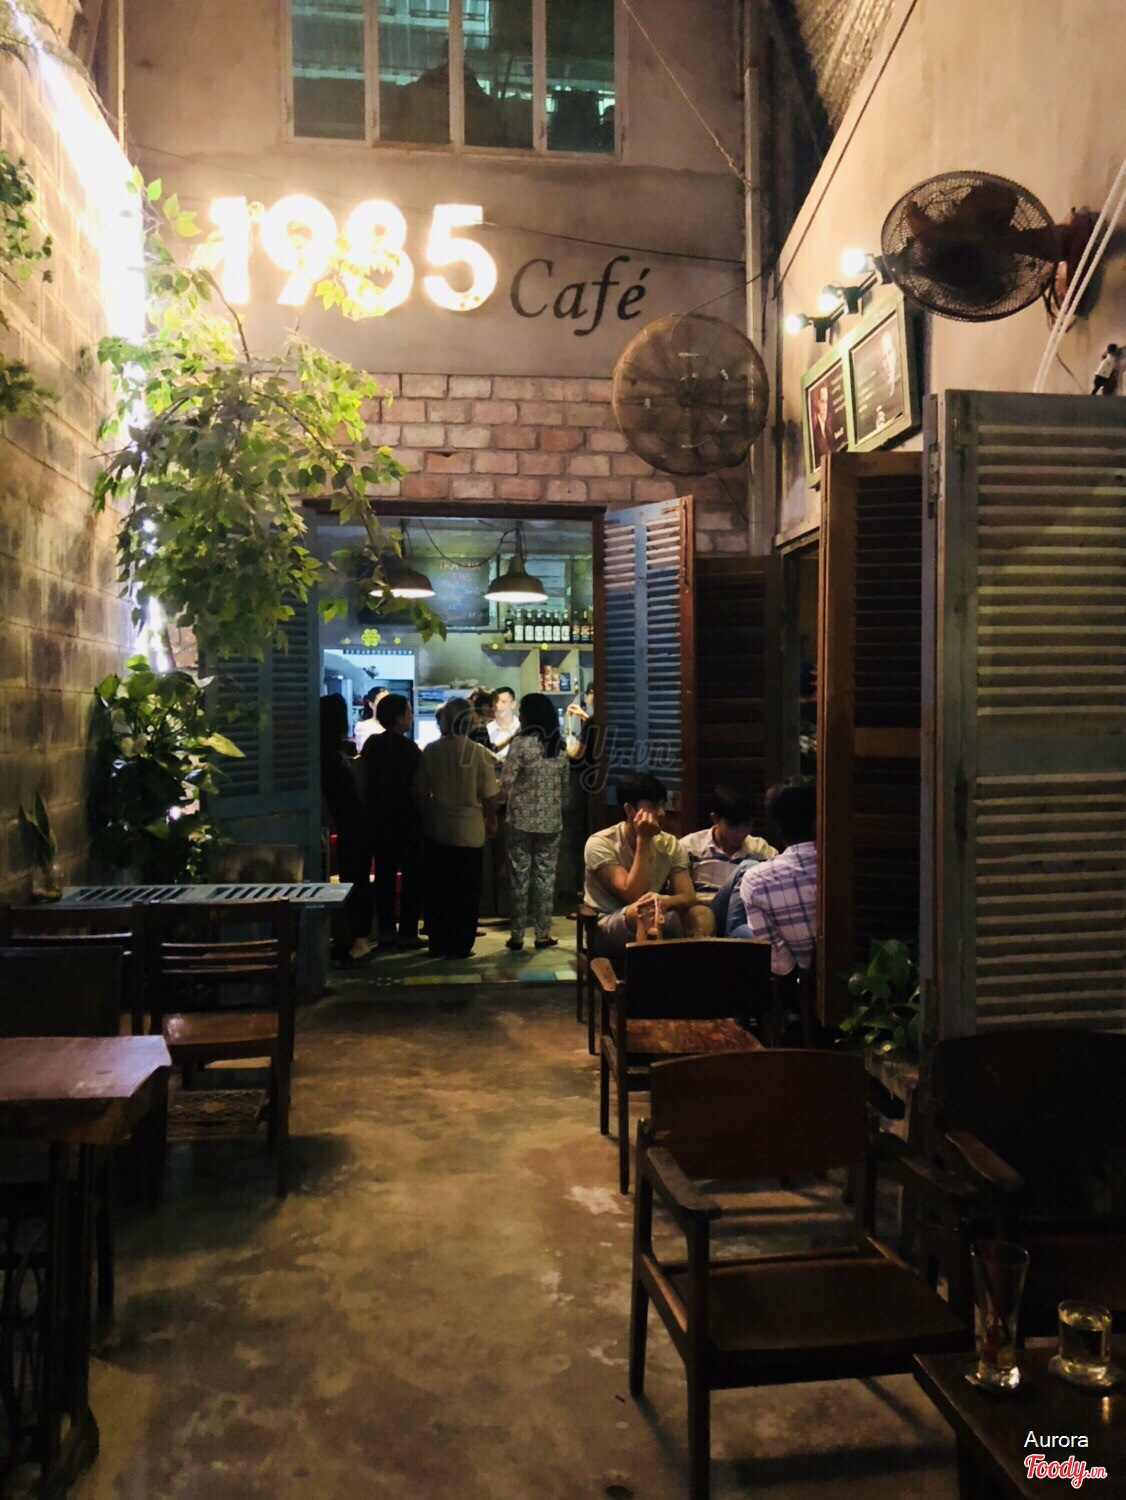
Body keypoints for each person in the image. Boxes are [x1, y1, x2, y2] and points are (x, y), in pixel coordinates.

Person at [583, 772, 715, 955]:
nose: (661, 813)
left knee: (701, 914)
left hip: (655, 917)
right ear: (629, 810)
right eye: (653, 806)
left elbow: (688, 896)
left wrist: (667, 901)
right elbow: (633, 894)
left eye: (662, 805)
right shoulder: (600, 843)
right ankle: (649, 972)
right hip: (605, 926)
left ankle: (699, 970)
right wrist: (643, 840)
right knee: (646, 911)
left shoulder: (669, 844)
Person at [413, 697, 499, 960]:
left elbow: (419, 791)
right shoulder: (478, 752)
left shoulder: (431, 751)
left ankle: (438, 943)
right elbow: (489, 796)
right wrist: (492, 821)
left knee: (438, 889)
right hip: (470, 832)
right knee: (466, 891)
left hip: (438, 829)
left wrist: (430, 814)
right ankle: (460, 946)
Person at [727, 777, 816, 977]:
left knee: (736, 929)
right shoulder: (843, 866)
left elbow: (781, 966)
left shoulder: (757, 879)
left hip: (800, 983)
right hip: (853, 981)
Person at [499, 693, 567, 951]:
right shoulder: (559, 745)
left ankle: (517, 936)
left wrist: (497, 803)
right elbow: (566, 787)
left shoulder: (520, 744)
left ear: (529, 716)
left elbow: (506, 782)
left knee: (519, 877)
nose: (520, 717)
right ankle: (542, 934)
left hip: (520, 820)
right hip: (550, 821)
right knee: (546, 877)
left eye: (522, 712)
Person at [361, 692, 423, 950]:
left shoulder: (372, 744)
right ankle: (408, 933)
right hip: (407, 819)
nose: (411, 717)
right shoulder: (409, 749)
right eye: (408, 712)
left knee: (384, 876)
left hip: (379, 818)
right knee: (412, 877)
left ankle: (386, 932)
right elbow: (418, 785)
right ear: (398, 718)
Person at [319, 693, 374, 964]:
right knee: (356, 879)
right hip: (356, 823)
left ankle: (358, 939)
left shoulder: (324, 753)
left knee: (352, 880)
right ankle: (356, 937)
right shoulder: (338, 752)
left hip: (350, 826)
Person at [680, 784, 778, 933]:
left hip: (744, 916)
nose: (740, 833)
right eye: (733, 826)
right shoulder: (691, 847)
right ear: (715, 819)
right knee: (748, 867)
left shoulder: (760, 849)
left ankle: (737, 933)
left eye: (747, 825)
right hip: (703, 914)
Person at [487, 685, 520, 761]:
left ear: (513, 704)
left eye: (503, 702)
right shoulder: (487, 728)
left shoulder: (521, 725)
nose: (498, 706)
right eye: (496, 702)